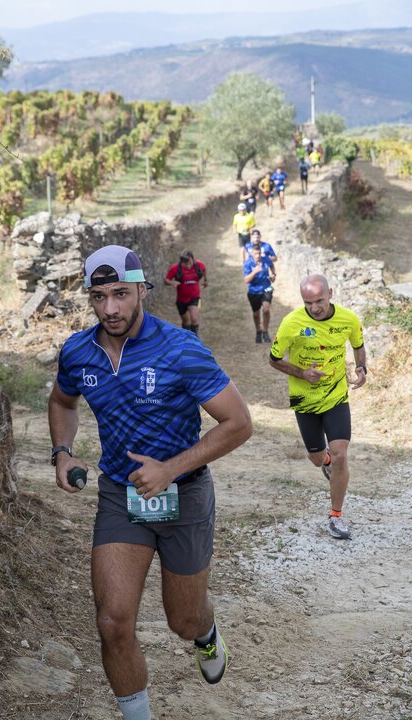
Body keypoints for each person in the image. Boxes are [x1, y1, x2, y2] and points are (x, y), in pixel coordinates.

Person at [48, 244, 253, 720]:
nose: (110, 308)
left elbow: (239, 423)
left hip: (185, 493)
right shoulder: (79, 351)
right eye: (99, 297)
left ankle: (206, 632)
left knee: (183, 621)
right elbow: (62, 401)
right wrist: (62, 452)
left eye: (121, 294)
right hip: (121, 495)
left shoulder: (181, 349)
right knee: (112, 622)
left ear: (143, 290)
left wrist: (169, 469)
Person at [268, 274, 367, 540]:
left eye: (319, 301)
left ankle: (336, 516)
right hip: (305, 400)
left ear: (330, 293)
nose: (314, 308)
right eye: (308, 302)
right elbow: (273, 359)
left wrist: (361, 367)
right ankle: (325, 462)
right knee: (317, 457)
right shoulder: (291, 323)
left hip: (336, 397)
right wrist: (302, 373)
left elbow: (358, 346)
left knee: (341, 454)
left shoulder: (348, 319)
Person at [164, 249, 207, 335]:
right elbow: (166, 280)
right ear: (181, 262)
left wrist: (206, 280)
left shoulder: (199, 265)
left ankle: (194, 338)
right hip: (181, 300)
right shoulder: (175, 268)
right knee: (186, 321)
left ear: (193, 259)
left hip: (195, 297)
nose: (188, 266)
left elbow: (204, 269)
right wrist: (172, 283)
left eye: (190, 263)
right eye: (185, 264)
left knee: (194, 318)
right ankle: (187, 337)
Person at [243, 243, 275, 343]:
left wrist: (273, 275)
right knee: (256, 313)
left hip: (266, 288)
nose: (258, 255)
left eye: (259, 253)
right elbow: (246, 280)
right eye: (255, 253)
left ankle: (265, 331)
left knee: (266, 309)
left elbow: (272, 268)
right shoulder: (248, 264)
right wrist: (255, 272)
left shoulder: (266, 260)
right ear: (252, 253)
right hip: (254, 291)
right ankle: (258, 330)